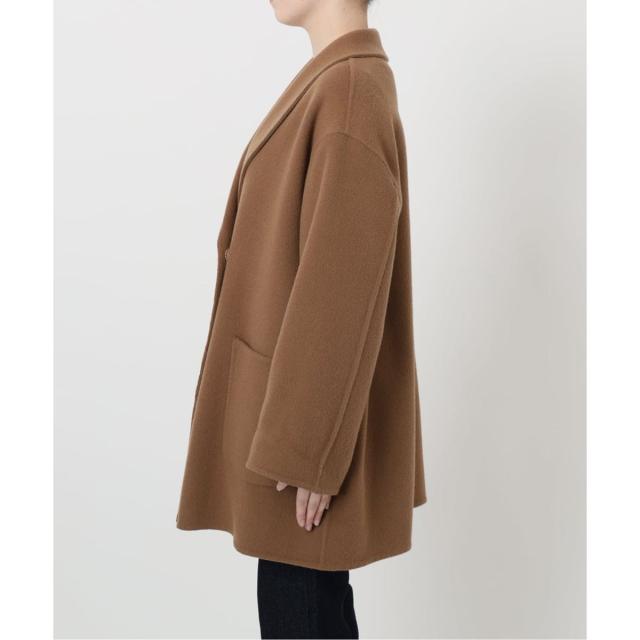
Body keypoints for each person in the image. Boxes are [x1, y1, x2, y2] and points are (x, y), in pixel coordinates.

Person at [176, 0, 427, 637]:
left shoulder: (350, 90)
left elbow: (341, 283)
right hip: (287, 423)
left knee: (301, 609)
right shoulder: (337, 81)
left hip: (300, 444)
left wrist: (308, 451)